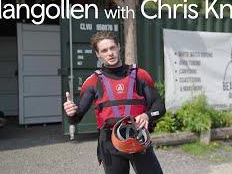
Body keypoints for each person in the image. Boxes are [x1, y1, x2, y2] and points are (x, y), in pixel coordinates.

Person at [63, 31, 165, 174]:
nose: (109, 53)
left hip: (138, 137)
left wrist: (147, 115)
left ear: (118, 47)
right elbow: (76, 118)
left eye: (112, 48)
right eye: (104, 50)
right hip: (110, 143)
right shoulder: (93, 81)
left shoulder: (140, 75)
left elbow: (159, 107)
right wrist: (71, 113)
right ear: (98, 54)